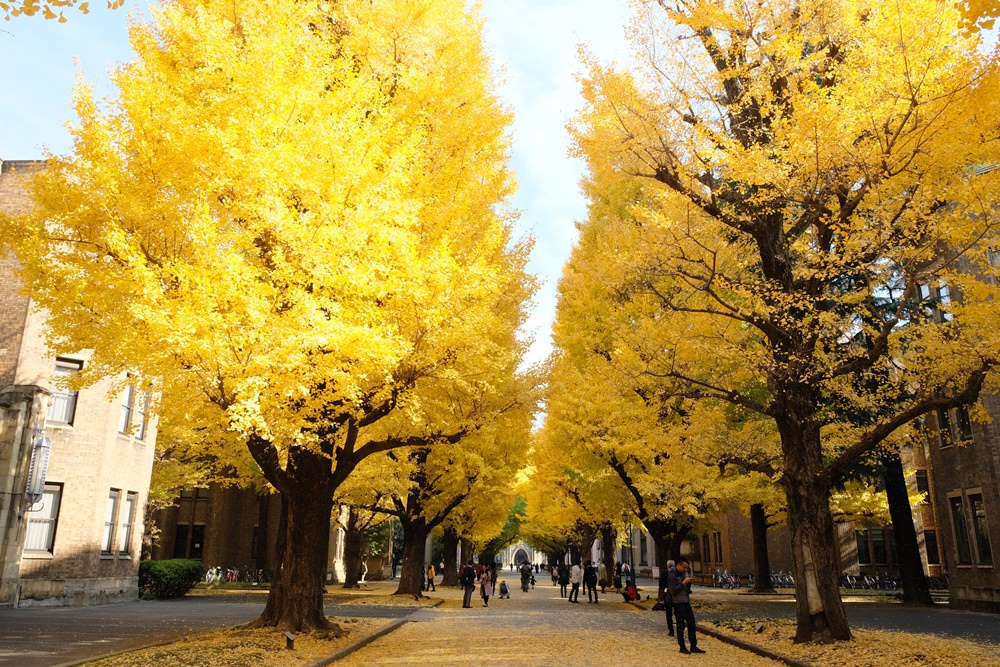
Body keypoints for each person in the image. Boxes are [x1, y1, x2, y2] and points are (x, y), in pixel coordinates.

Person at [668, 559, 704, 654]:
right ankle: (682, 647)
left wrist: (689, 583)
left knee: (691, 623)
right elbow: (674, 591)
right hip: (678, 603)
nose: (685, 569)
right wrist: (683, 583)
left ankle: (693, 646)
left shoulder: (682, 574)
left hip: (686, 601)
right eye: (684, 567)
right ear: (678, 565)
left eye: (686, 568)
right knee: (681, 625)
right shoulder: (672, 575)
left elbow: (686, 590)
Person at [660, 560, 676, 637]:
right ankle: (679, 628)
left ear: (667, 566)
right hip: (676, 595)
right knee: (678, 612)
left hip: (668, 595)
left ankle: (671, 631)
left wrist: (665, 590)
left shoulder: (664, 573)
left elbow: (661, 584)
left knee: (669, 613)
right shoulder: (677, 573)